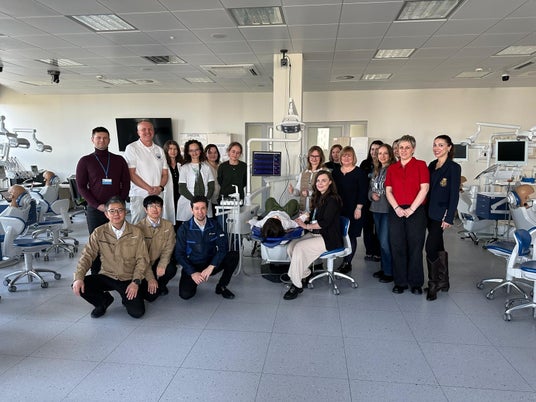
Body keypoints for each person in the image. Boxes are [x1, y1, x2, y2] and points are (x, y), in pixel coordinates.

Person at [72, 196, 149, 318]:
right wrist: (79, 277)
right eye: (112, 211)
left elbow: (142, 259)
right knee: (79, 284)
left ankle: (126, 297)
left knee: (137, 312)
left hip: (127, 278)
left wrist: (136, 281)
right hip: (107, 275)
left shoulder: (136, 232)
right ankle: (103, 301)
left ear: (125, 212)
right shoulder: (99, 232)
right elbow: (87, 255)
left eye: (120, 210)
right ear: (106, 214)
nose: (116, 214)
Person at [76, 126, 131, 274]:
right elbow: (81, 187)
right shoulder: (85, 161)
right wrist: (97, 205)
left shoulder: (119, 160)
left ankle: (119, 273)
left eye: (105, 138)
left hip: (116, 211)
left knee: (118, 242)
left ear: (109, 140)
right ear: (92, 140)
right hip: (96, 210)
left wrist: (119, 205)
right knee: (96, 244)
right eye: (98, 138)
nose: (102, 140)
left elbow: (126, 183)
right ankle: (96, 275)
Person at [283, 170, 343, 300]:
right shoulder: (319, 196)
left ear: (330, 182)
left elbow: (324, 223)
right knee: (291, 246)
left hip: (328, 237)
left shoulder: (333, 199)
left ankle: (296, 285)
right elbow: (316, 217)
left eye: (323, 180)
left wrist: (306, 226)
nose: (320, 183)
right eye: (318, 181)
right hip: (316, 233)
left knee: (299, 247)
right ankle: (305, 274)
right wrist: (304, 218)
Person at [385, 135, 429, 295]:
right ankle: (400, 282)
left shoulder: (421, 165)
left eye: (407, 147)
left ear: (413, 149)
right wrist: (396, 207)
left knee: (415, 247)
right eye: (401, 148)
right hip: (396, 210)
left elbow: (424, 188)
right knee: (397, 246)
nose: (403, 151)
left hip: (416, 211)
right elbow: (388, 191)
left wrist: (411, 209)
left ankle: (416, 283)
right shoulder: (392, 168)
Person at [175, 195, 238, 300]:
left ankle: (221, 286)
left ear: (207, 209)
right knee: (185, 295)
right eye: (196, 208)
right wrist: (192, 272)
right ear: (191, 210)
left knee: (233, 255)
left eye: (203, 208)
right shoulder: (184, 229)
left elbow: (223, 248)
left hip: (210, 263)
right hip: (193, 265)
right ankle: (194, 279)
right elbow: (179, 254)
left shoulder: (215, 225)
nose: (200, 212)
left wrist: (211, 266)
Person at [425, 135, 461, 301]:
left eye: (441, 145)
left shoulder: (453, 167)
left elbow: (454, 194)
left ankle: (433, 284)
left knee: (430, 247)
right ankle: (444, 281)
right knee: (438, 244)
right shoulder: (432, 165)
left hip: (441, 214)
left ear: (449, 147)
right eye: (435, 145)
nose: (436, 148)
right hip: (428, 211)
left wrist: (449, 217)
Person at [124, 119, 168, 224]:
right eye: (143, 129)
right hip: (140, 195)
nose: (147, 132)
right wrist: (149, 189)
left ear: (153, 131)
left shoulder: (159, 150)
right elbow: (131, 174)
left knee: (157, 224)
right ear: (138, 132)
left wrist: (159, 188)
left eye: (150, 129)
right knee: (138, 225)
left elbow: (165, 174)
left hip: (157, 195)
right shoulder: (132, 148)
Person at [332, 146, 368, 274]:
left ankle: (348, 263)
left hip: (354, 209)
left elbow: (363, 192)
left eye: (349, 155)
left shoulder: (360, 173)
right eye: (344, 155)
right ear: (340, 158)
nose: (346, 158)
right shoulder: (335, 172)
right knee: (339, 234)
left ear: (353, 158)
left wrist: (359, 208)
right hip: (337, 209)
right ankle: (341, 257)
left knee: (351, 235)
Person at [137, 195, 177, 301]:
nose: (155, 209)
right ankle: (151, 284)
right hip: (144, 264)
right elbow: (140, 257)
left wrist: (162, 264)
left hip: (158, 260)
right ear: (145, 209)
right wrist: (150, 277)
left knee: (171, 269)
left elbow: (169, 248)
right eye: (151, 206)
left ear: (162, 208)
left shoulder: (168, 226)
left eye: (158, 206)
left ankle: (161, 285)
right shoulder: (138, 228)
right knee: (150, 297)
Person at [266, 146, 326, 216]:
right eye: (312, 156)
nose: (314, 158)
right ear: (309, 157)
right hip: (303, 211)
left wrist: (309, 193)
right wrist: (293, 191)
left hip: (317, 210)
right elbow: (298, 191)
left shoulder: (324, 172)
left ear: (321, 157)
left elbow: (325, 192)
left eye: (317, 156)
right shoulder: (303, 173)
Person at [369, 144, 396, 283]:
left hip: (387, 210)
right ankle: (384, 268)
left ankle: (390, 272)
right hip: (376, 209)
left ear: (390, 155)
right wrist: (371, 195)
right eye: (380, 153)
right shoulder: (377, 170)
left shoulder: (393, 169)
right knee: (381, 241)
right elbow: (370, 188)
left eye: (385, 153)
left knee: (386, 242)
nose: (382, 156)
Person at [176, 140, 215, 224]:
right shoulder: (184, 168)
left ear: (200, 151)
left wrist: (205, 200)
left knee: (204, 225)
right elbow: (182, 188)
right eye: (191, 150)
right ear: (188, 152)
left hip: (205, 201)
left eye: (196, 150)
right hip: (188, 201)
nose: (194, 153)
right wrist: (194, 201)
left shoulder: (206, 167)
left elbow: (211, 186)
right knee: (188, 226)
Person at [359, 140, 383, 262]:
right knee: (367, 227)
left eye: (377, 149)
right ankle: (369, 251)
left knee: (379, 228)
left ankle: (378, 252)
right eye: (372, 149)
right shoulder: (365, 164)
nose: (374, 152)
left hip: (380, 201)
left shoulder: (384, 165)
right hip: (366, 200)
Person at [162, 140, 182, 226]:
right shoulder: (163, 164)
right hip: (168, 195)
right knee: (169, 219)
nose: (173, 151)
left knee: (180, 218)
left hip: (180, 195)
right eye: (170, 149)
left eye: (175, 149)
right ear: (166, 150)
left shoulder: (181, 164)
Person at [205, 144, 221, 212]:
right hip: (209, 199)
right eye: (210, 153)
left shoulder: (221, 164)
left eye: (215, 152)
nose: (213, 155)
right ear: (205, 154)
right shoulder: (204, 166)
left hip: (220, 199)